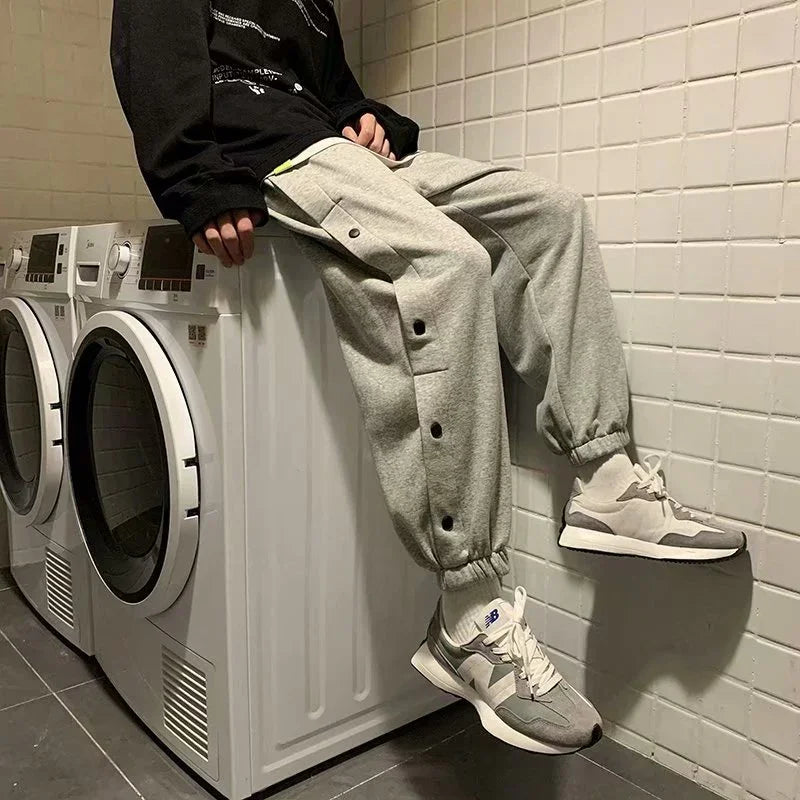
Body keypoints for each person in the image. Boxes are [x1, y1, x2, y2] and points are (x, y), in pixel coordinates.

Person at [111, 1, 746, 755]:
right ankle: (469, 616)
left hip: (342, 156)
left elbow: (335, 95)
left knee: (553, 215)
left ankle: (605, 477)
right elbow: (147, 59)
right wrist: (194, 182)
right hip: (270, 160)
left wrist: (370, 119)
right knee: (450, 266)